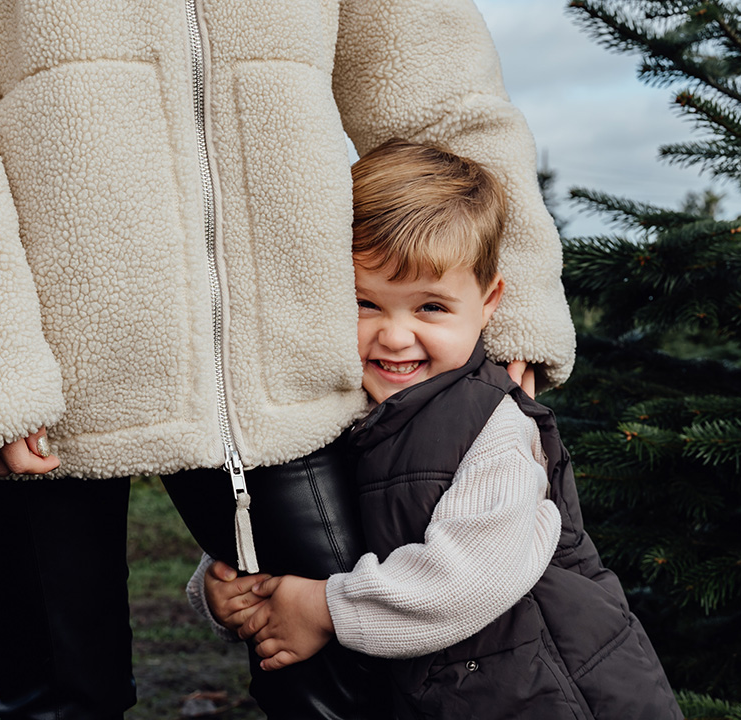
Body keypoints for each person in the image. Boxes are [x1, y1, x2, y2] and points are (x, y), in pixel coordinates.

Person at [0, 3, 574, 719]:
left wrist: (509, 300)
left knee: (351, 680)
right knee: (59, 696)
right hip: (27, 352)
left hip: (282, 352)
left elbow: (441, 91)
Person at [195, 140, 683, 719]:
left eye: (430, 307)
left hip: (547, 696)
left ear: (489, 301)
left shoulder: (491, 426)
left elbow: (467, 579)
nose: (396, 336)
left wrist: (324, 608)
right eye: (365, 303)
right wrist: (226, 589)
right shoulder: (338, 411)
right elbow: (301, 518)